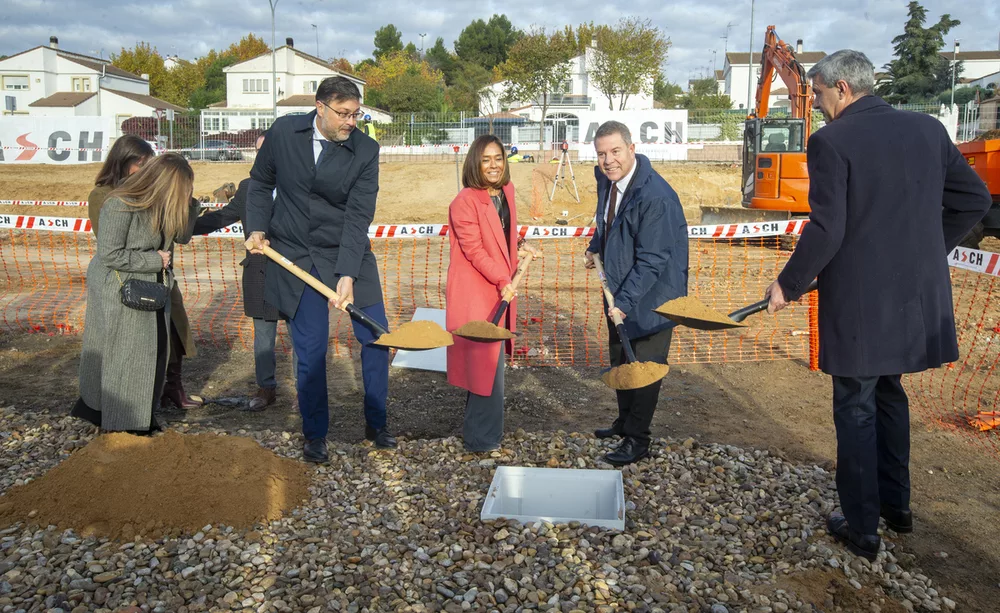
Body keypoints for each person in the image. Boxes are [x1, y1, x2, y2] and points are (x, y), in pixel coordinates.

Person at [764, 50, 992, 561]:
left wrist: (788, 284)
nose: (817, 104)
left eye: (819, 94)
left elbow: (827, 228)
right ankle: (897, 507)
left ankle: (863, 525)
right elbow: (974, 200)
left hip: (863, 305)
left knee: (856, 408)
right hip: (914, 300)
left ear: (842, 88)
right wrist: (927, 249)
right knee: (889, 395)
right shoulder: (928, 130)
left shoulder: (831, 141)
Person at [244, 76, 395, 464]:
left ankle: (376, 423)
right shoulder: (284, 132)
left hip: (348, 252)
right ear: (320, 106)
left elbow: (358, 215)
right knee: (310, 351)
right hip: (297, 257)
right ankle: (315, 434)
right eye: (343, 114)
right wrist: (257, 227)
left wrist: (346, 273)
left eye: (355, 114)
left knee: (376, 337)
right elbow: (260, 183)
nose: (350, 122)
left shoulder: (365, 150)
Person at [583, 121, 689, 467]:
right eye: (601, 153)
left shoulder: (655, 196)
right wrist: (595, 245)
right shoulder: (607, 180)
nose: (608, 160)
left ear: (632, 148)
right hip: (620, 292)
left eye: (615, 151)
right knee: (622, 359)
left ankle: (638, 439)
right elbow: (606, 221)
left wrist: (624, 304)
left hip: (652, 297)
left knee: (643, 367)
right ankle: (624, 423)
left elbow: (653, 260)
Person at [73, 153, 198, 433]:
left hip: (151, 290)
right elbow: (110, 254)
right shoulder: (119, 204)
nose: (184, 193)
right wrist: (155, 260)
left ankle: (140, 415)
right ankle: (125, 423)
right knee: (128, 356)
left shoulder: (163, 205)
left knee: (154, 354)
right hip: (121, 290)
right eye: (182, 187)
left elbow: (183, 236)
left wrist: (190, 202)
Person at [446, 135, 538, 452]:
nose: (494, 165)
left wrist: (521, 244)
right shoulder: (464, 203)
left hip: (499, 287)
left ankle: (484, 435)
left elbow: (503, 231)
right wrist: (503, 278)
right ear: (475, 163)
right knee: (484, 368)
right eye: (486, 159)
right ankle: (481, 441)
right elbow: (475, 250)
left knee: (491, 367)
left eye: (498, 157)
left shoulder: (505, 193)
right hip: (476, 293)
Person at [193, 134, 281, 412]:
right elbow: (221, 217)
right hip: (260, 273)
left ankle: (308, 389)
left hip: (297, 273)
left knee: (303, 335)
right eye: (257, 151)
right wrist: (181, 225)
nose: (261, 156)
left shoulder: (302, 187)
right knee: (264, 335)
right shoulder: (247, 188)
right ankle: (266, 387)